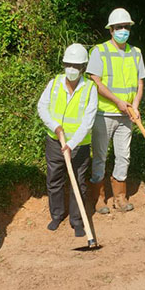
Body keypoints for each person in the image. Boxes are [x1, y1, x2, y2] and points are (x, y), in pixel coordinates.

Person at [86, 8, 145, 213]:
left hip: (127, 115)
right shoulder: (99, 51)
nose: (123, 30)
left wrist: (135, 105)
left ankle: (120, 197)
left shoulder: (135, 52)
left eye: (126, 27)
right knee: (100, 156)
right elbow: (96, 81)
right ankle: (98, 198)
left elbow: (140, 83)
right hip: (104, 114)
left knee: (124, 155)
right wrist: (117, 101)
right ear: (111, 30)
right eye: (119, 27)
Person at [37, 43, 98, 237]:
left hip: (79, 145)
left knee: (78, 182)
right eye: (68, 64)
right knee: (54, 179)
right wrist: (55, 127)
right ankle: (56, 215)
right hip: (55, 141)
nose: (71, 69)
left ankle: (77, 220)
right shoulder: (54, 83)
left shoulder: (90, 89)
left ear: (83, 68)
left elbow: (88, 121)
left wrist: (71, 144)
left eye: (76, 65)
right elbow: (42, 107)